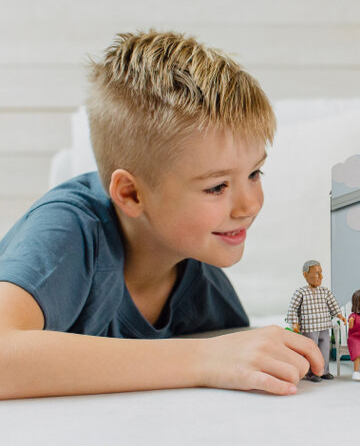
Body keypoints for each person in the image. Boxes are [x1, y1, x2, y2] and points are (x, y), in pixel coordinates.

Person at [0, 31, 323, 399]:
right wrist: (205, 359)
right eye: (217, 187)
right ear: (131, 194)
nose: (249, 205)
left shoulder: (204, 286)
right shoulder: (69, 230)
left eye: (254, 174)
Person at [287, 260, 347, 382]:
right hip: (309, 327)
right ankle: (310, 373)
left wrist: (339, 315)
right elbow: (293, 308)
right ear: (305, 275)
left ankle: (324, 371)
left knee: (324, 348)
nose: (321, 276)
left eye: (321, 273)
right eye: (316, 273)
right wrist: (294, 323)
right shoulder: (301, 293)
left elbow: (333, 304)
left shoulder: (324, 291)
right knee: (310, 351)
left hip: (324, 325)